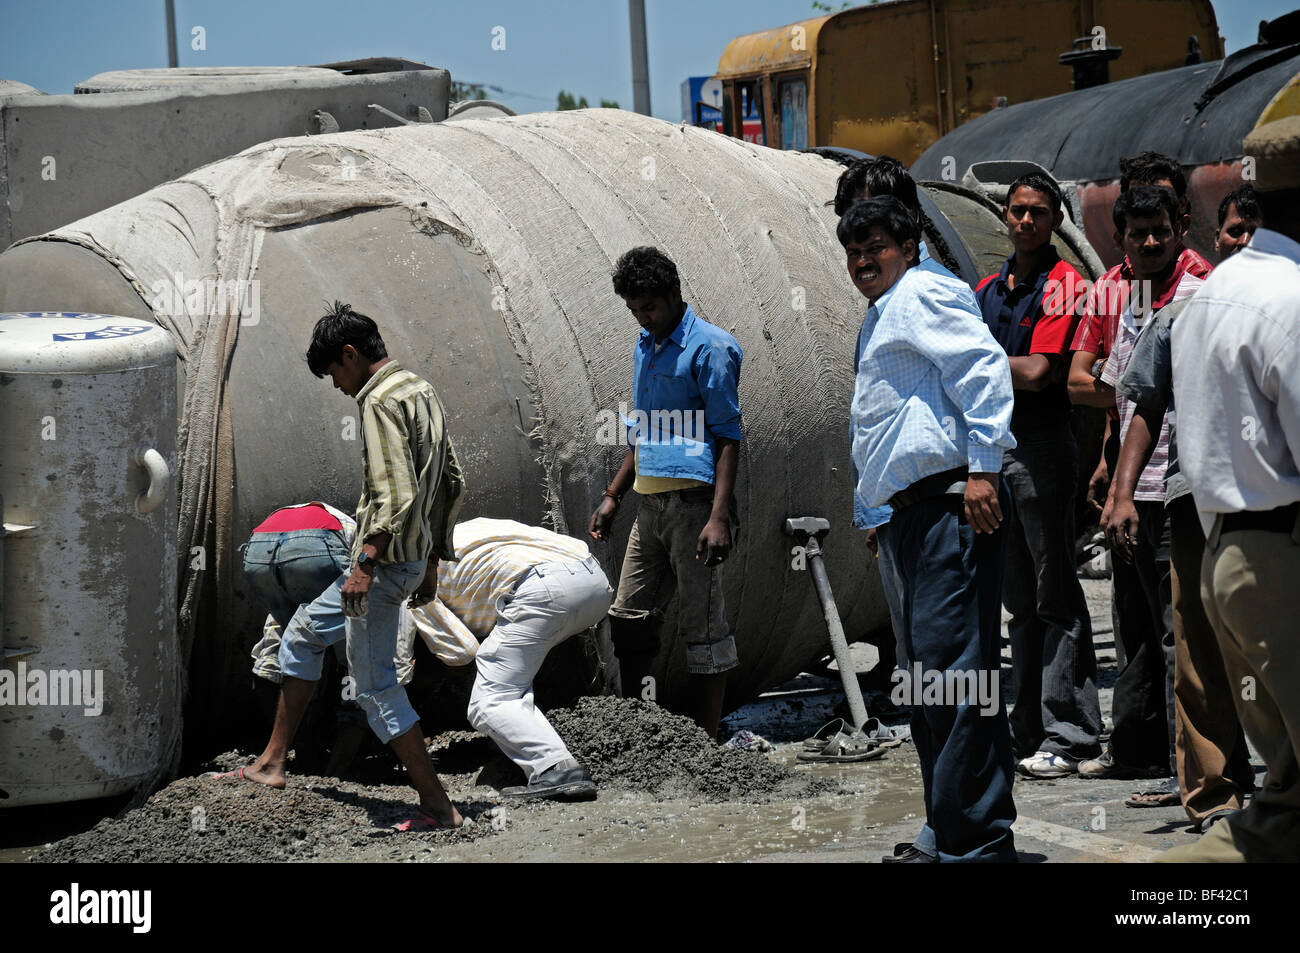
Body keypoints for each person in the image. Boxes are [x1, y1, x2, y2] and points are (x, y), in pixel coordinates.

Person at [219, 302, 467, 832]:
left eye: (334, 371)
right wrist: (431, 561)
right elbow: (450, 481)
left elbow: (393, 491)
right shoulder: (420, 390)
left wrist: (365, 563)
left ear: (351, 355)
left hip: (381, 565)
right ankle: (271, 762)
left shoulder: (378, 400)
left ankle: (437, 806)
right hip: (409, 559)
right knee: (305, 639)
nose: (336, 385)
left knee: (375, 687)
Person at [843, 196, 1018, 863]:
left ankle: (977, 841)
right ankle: (946, 829)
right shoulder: (885, 311)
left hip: (952, 505)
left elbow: (983, 369)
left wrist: (983, 470)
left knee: (955, 677)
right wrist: (876, 504)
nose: (864, 260)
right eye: (855, 251)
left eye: (876, 246)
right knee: (926, 683)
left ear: (909, 246)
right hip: (910, 513)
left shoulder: (922, 293)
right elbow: (891, 419)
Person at [1158, 117, 1300, 862]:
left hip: (1229, 561)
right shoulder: (1293, 296)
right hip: (1283, 559)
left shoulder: (1207, 299)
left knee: (1286, 799)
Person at [1101, 184, 1259, 826]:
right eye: (1234, 231)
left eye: (1257, 230)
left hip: (1269, 504)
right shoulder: (1186, 312)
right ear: (1215, 236)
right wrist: (1119, 489)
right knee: (1189, 650)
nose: (1243, 242)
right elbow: (1145, 401)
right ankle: (1214, 792)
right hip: (1192, 499)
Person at [1073, 187, 1206, 781]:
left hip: (1182, 488)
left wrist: (1132, 390)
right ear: (1120, 240)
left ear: (1178, 227)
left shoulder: (1197, 293)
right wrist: (1113, 463)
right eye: (1137, 233)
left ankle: (1196, 772)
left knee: (1184, 636)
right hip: (1133, 489)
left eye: (1160, 230)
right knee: (1136, 630)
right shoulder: (1117, 295)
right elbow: (1092, 385)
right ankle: (1137, 755)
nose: (1150, 242)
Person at [974, 173, 1101, 778]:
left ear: (1054, 221)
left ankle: (1071, 732)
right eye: (1018, 211)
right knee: (1018, 600)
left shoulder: (1065, 284)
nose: (1026, 221)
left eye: (1039, 213)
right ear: (1006, 215)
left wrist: (976, 366)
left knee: (1054, 594)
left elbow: (1037, 373)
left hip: (1041, 450)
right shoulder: (988, 288)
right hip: (998, 453)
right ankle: (1028, 730)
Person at [589, 246, 742, 741]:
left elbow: (728, 436)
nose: (643, 317)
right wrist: (615, 494)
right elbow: (644, 427)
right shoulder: (645, 344)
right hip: (649, 506)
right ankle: (642, 734)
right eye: (634, 309)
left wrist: (718, 517)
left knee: (703, 630)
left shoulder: (710, 348)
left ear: (675, 295)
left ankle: (706, 745)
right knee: (628, 618)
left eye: (649, 307)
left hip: (694, 508)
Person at [417, 518, 613, 800]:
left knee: (491, 700)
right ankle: (522, 739)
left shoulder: (411, 574)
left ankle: (555, 769)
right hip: (594, 581)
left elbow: (460, 652)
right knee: (515, 672)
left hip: (543, 589)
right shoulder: (466, 530)